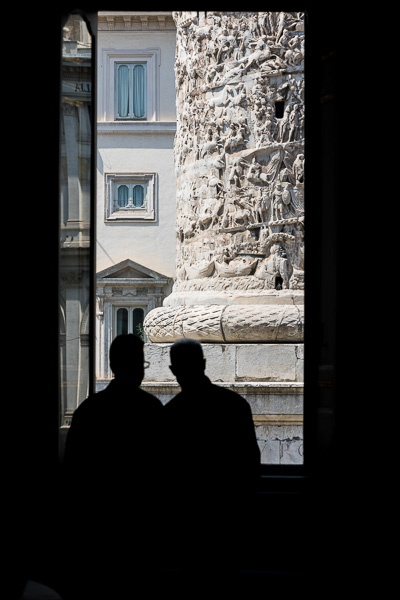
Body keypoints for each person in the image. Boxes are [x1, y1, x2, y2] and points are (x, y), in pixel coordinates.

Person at [63, 334, 164, 598]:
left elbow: (73, 473)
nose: (142, 371)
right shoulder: (152, 410)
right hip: (142, 532)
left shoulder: (88, 411)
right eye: (141, 364)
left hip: (97, 533)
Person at [163, 338, 260, 591]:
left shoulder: (171, 414)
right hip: (227, 520)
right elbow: (250, 464)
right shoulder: (235, 405)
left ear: (173, 370)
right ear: (204, 364)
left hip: (188, 524)